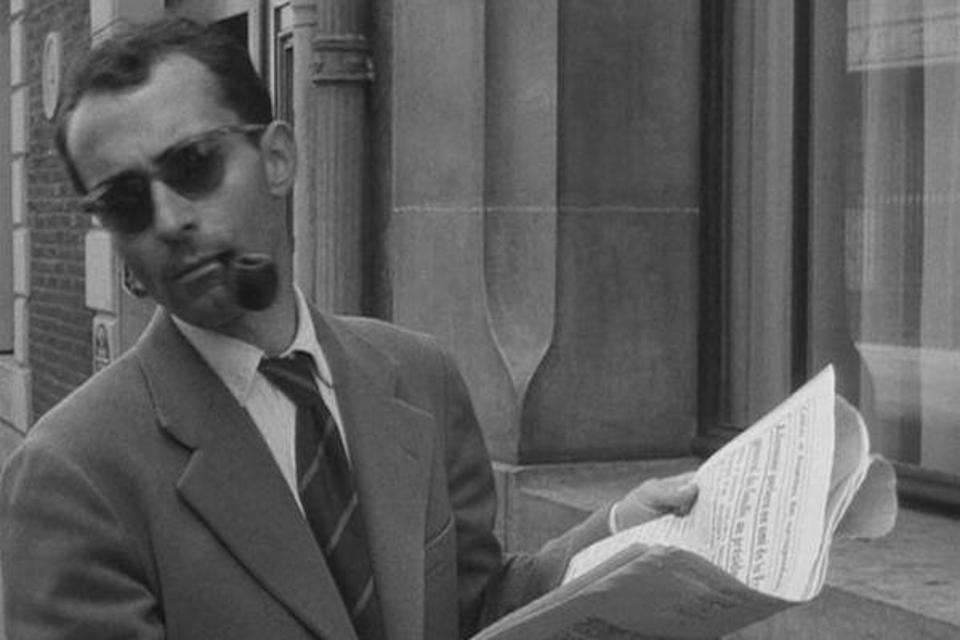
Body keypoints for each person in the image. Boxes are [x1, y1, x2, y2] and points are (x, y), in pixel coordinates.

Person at [0, 17, 697, 640]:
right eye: (125, 202)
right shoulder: (74, 475)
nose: (170, 219)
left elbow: (475, 610)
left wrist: (614, 539)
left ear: (278, 158)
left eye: (194, 164)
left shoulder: (418, 376)